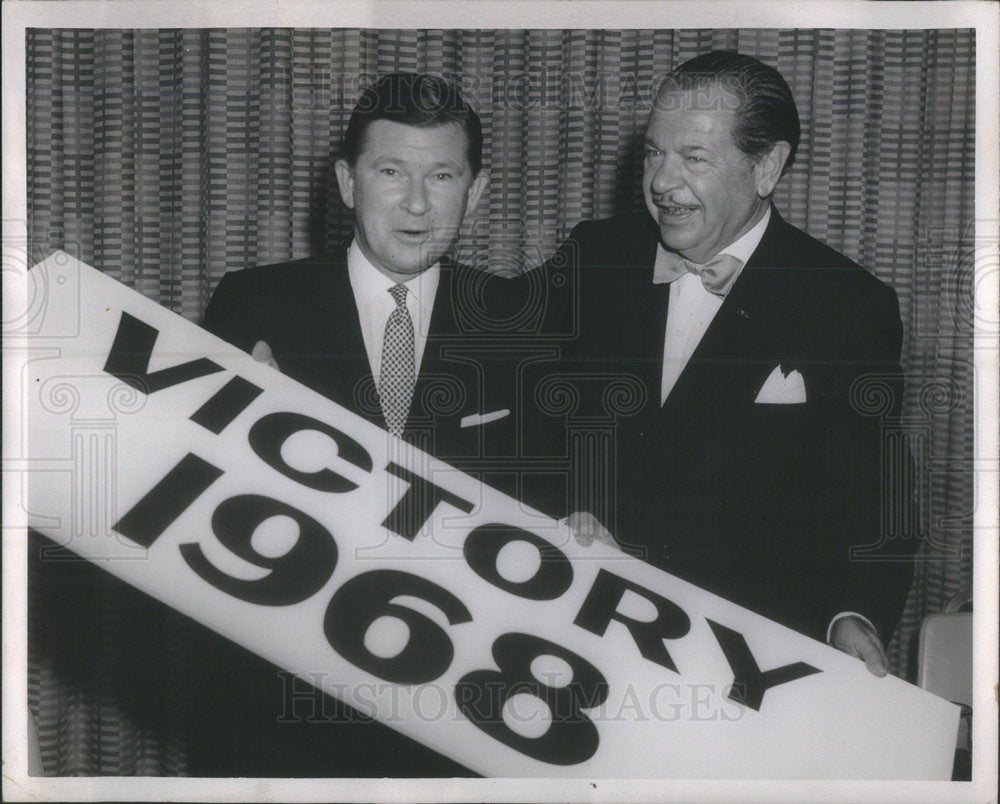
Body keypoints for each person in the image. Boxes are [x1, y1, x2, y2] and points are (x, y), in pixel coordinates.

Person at [196, 72, 561, 777]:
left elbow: (547, 509)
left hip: (455, 718)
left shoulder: (522, 322)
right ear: (345, 181)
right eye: (392, 171)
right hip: (277, 712)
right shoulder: (253, 304)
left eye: (443, 175)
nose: (418, 203)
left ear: (477, 190)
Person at [553, 51, 914, 676]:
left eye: (692, 158)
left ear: (766, 166)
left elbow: (875, 495)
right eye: (652, 153)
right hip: (578, 626)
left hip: (741, 660)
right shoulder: (594, 255)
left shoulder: (848, 304)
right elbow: (517, 413)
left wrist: (851, 611)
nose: (662, 182)